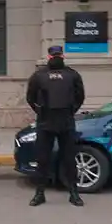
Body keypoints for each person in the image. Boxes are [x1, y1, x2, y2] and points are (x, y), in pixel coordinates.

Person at [25, 45, 86, 207]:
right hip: (46, 122)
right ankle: (39, 194)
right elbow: (30, 97)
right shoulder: (39, 76)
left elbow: (80, 96)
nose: (56, 57)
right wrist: (40, 112)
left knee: (69, 159)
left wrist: (71, 111)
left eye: (58, 55)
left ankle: (74, 193)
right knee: (42, 159)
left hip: (66, 122)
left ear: (62, 56)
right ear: (49, 57)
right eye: (54, 55)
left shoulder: (72, 75)